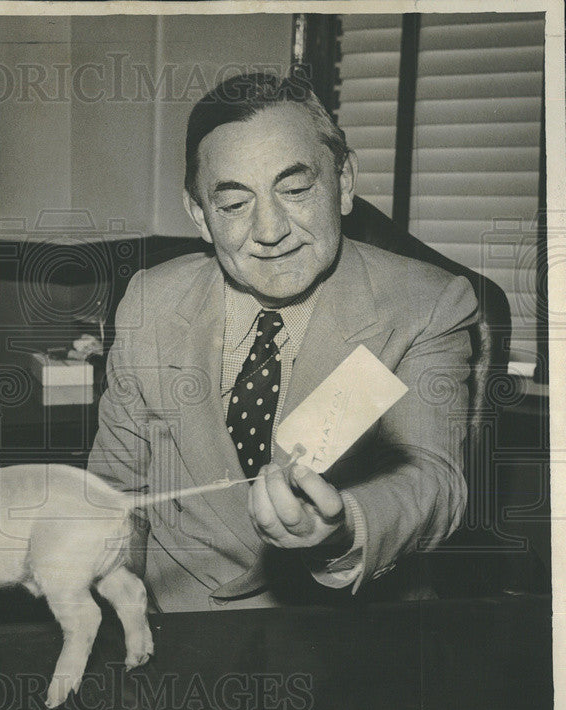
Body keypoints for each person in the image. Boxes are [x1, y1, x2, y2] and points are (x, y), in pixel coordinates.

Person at [87, 73, 479, 613]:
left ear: (343, 184)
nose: (269, 229)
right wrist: (121, 600)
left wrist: (342, 528)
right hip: (178, 621)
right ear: (201, 215)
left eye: (295, 191)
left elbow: (434, 481)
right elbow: (113, 492)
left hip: (350, 631)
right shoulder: (151, 302)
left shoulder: (426, 304)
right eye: (232, 205)